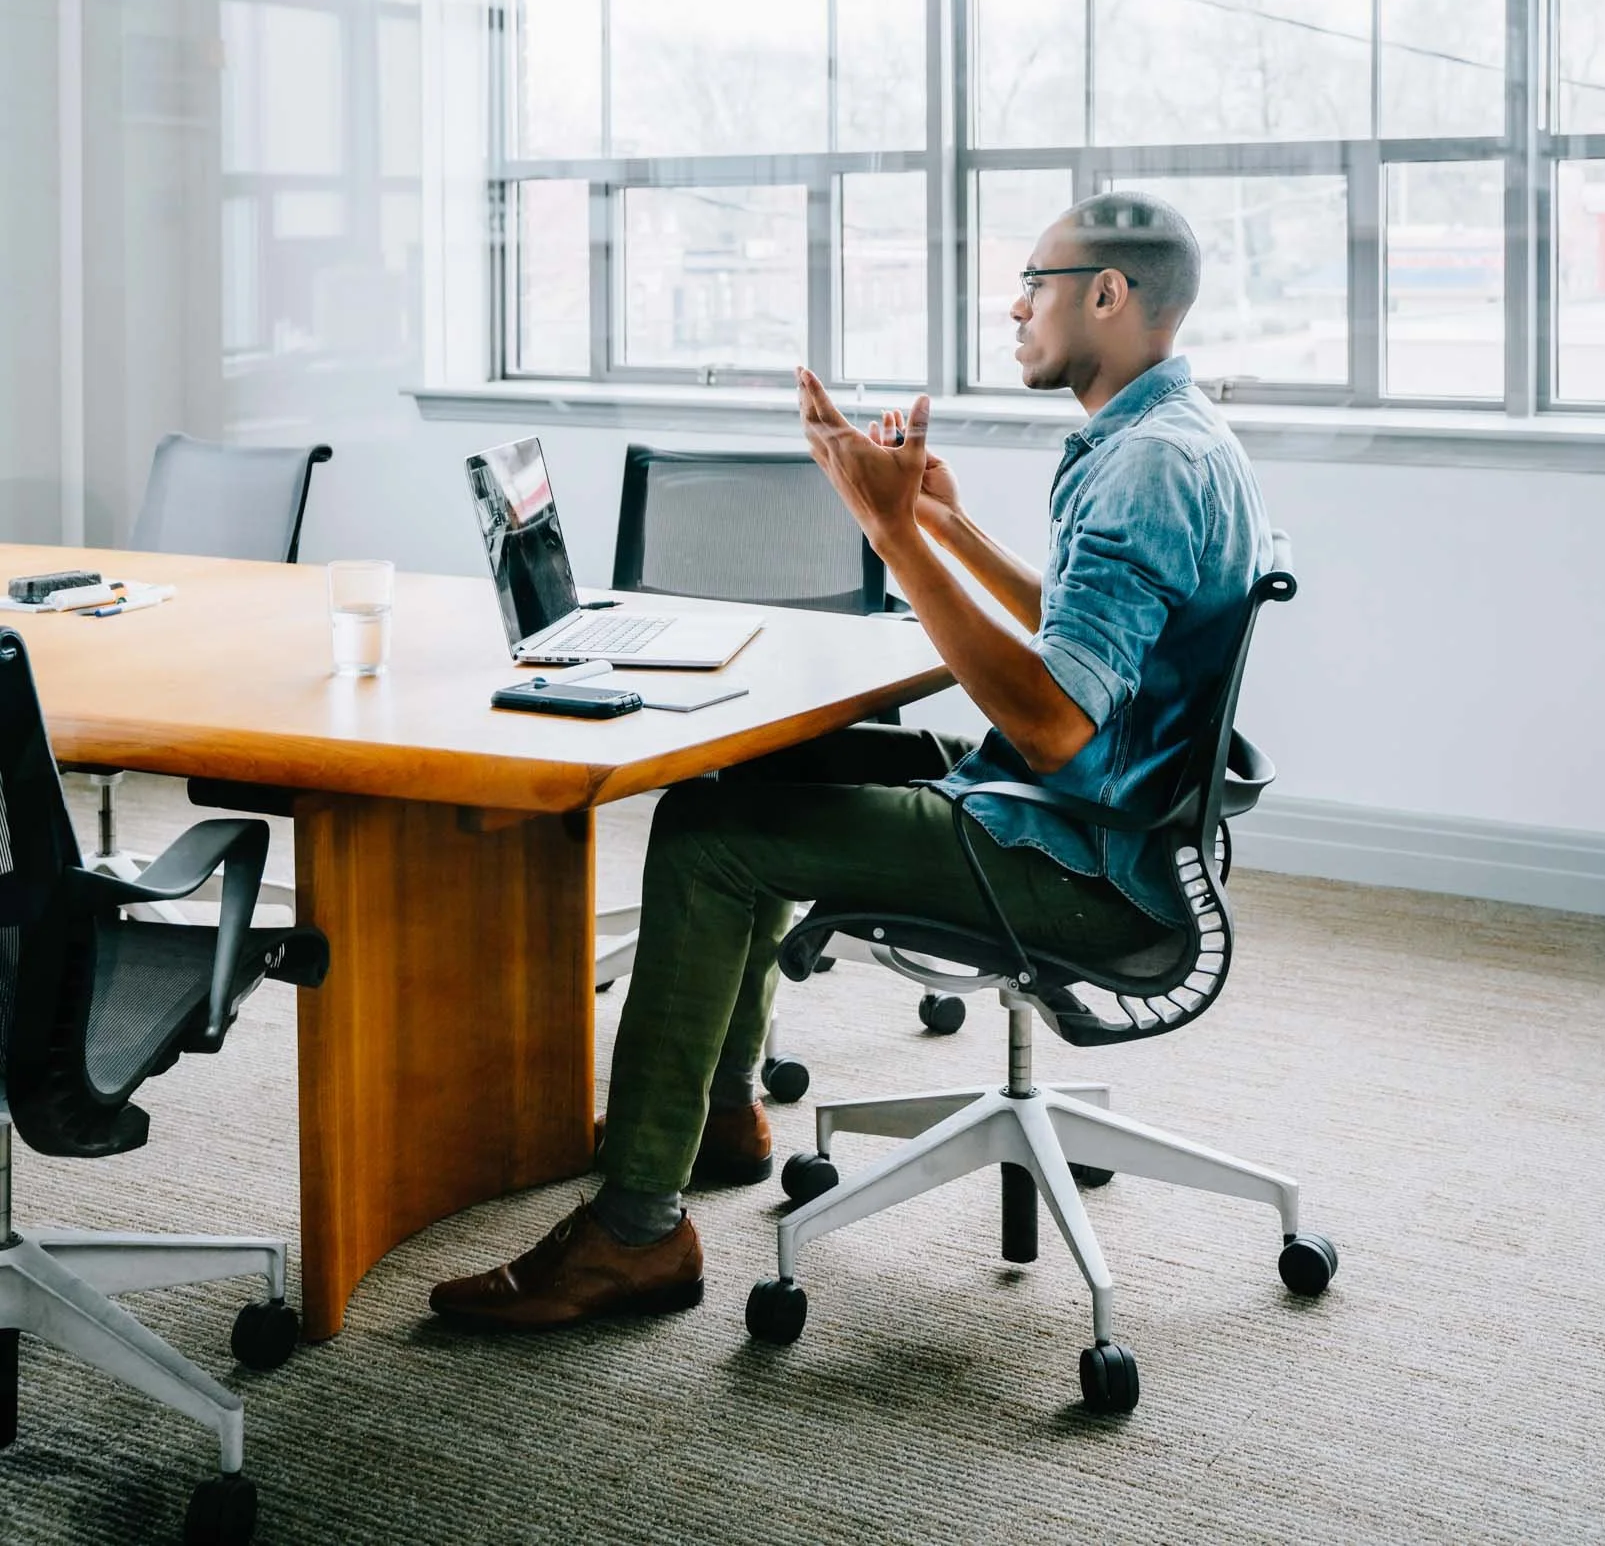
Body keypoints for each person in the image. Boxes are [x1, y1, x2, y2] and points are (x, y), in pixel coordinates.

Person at [429, 193, 1272, 1331]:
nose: (1016, 305)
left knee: (711, 839)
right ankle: (722, 1113)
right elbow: (1088, 641)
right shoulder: (1170, 436)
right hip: (1103, 820)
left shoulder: (1145, 467)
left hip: (1081, 858)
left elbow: (1055, 723)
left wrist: (889, 538)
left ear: (1108, 294)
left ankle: (635, 1234)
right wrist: (942, 524)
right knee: (757, 777)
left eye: (1035, 278)